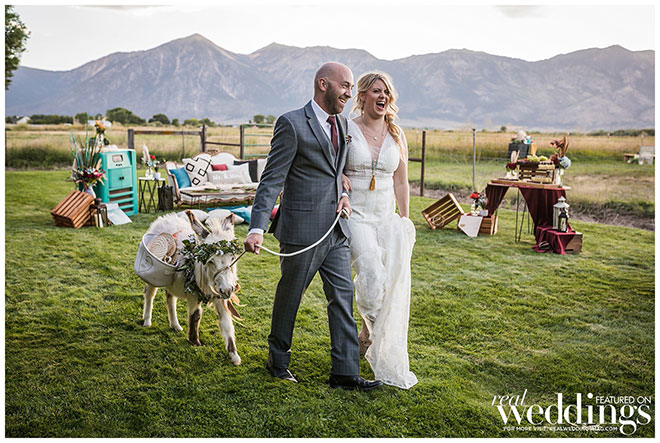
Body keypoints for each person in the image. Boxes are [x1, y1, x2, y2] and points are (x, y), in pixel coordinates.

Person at [244, 62, 383, 391]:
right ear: (323, 84)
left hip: (336, 229)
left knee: (343, 297)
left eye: (351, 88)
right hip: (302, 232)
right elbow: (271, 180)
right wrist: (256, 227)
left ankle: (344, 372)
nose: (349, 93)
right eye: (345, 86)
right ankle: (278, 361)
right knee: (290, 297)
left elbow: (337, 172)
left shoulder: (343, 123)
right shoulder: (292, 124)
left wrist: (344, 194)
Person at [342, 71, 418, 389]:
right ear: (362, 96)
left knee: (388, 282)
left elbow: (401, 181)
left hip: (386, 218)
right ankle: (376, 336)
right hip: (356, 215)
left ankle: (367, 334)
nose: (383, 96)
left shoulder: (396, 134)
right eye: (376, 91)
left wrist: (404, 219)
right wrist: (338, 178)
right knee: (372, 272)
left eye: (386, 92)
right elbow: (332, 164)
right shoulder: (346, 129)